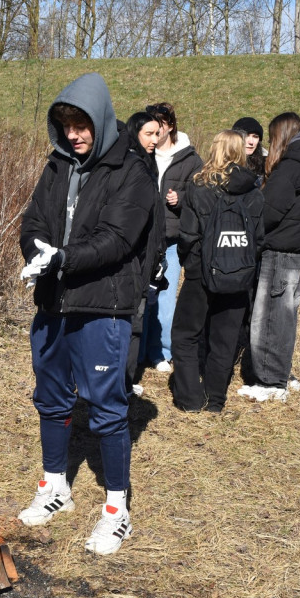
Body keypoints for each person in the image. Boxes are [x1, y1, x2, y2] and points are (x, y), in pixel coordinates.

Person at [18, 73, 155, 556]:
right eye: (66, 125)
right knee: (51, 395)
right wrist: (36, 251)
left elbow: (118, 239)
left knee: (106, 406)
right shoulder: (57, 166)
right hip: (54, 302)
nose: (74, 134)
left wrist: (63, 258)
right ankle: (55, 484)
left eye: (82, 124)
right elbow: (33, 218)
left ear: (100, 119)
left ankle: (117, 510)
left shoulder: (132, 170)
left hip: (103, 304)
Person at [239, 113, 300, 402]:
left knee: (269, 318)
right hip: (296, 255)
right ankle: (280, 374)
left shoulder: (290, 170)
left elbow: (268, 213)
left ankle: (269, 382)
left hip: (278, 254)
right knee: (285, 318)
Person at [171, 130, 264, 412]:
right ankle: (216, 401)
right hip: (239, 276)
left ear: (215, 151)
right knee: (224, 340)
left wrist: (191, 264)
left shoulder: (199, 188)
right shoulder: (254, 192)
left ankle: (190, 399)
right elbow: (258, 239)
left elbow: (187, 235)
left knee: (185, 335)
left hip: (201, 273)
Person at [141, 102, 203, 374]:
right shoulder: (142, 151)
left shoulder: (190, 158)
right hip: (141, 236)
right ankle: (139, 351)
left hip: (171, 238)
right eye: (151, 127)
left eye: (160, 127)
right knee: (141, 297)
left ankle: (162, 352)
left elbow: (201, 194)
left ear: (171, 126)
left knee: (166, 298)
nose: (155, 133)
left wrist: (182, 198)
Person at [123, 111, 164, 396]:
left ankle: (127, 378)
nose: (155, 139)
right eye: (148, 134)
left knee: (136, 320)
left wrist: (158, 255)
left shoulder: (150, 164)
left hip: (148, 253)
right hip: (130, 256)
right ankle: (121, 381)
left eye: (157, 133)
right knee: (128, 321)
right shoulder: (128, 163)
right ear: (134, 132)